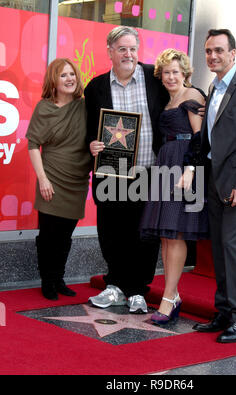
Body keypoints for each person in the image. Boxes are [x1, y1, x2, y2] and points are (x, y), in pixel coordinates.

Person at [179, 29, 236, 343]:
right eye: (208, 51)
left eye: (219, 50)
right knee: (218, 247)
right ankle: (224, 312)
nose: (213, 56)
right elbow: (209, 137)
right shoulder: (213, 85)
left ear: (233, 53)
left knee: (232, 247)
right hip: (215, 180)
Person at [85, 26, 169, 314]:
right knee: (112, 231)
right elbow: (89, 131)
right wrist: (93, 144)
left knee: (145, 235)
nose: (128, 54)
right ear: (110, 51)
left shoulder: (154, 78)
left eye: (133, 48)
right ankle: (115, 285)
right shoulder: (95, 87)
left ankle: (138, 290)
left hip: (149, 170)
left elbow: (180, 95)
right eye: (122, 49)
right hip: (112, 172)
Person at [139, 49, 209, 324]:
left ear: (186, 74)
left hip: (184, 167)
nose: (170, 76)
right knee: (166, 236)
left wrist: (191, 171)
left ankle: (168, 299)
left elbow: (200, 137)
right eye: (166, 72)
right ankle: (172, 294)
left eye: (175, 72)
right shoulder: (168, 101)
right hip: (166, 163)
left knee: (176, 234)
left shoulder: (192, 96)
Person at [26, 58, 92, 301]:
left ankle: (59, 277)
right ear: (54, 80)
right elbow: (33, 144)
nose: (69, 79)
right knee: (49, 234)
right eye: (63, 75)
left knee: (65, 234)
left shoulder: (85, 106)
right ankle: (47, 280)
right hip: (51, 176)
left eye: (72, 74)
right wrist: (42, 179)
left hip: (77, 178)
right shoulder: (44, 108)